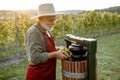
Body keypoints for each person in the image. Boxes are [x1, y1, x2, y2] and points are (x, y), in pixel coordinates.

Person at [25, 3, 67, 80]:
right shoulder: (34, 32)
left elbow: (44, 49)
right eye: (51, 20)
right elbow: (34, 58)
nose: (53, 23)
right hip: (38, 75)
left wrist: (57, 49)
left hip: (48, 74)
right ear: (41, 18)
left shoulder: (46, 30)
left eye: (54, 20)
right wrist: (55, 54)